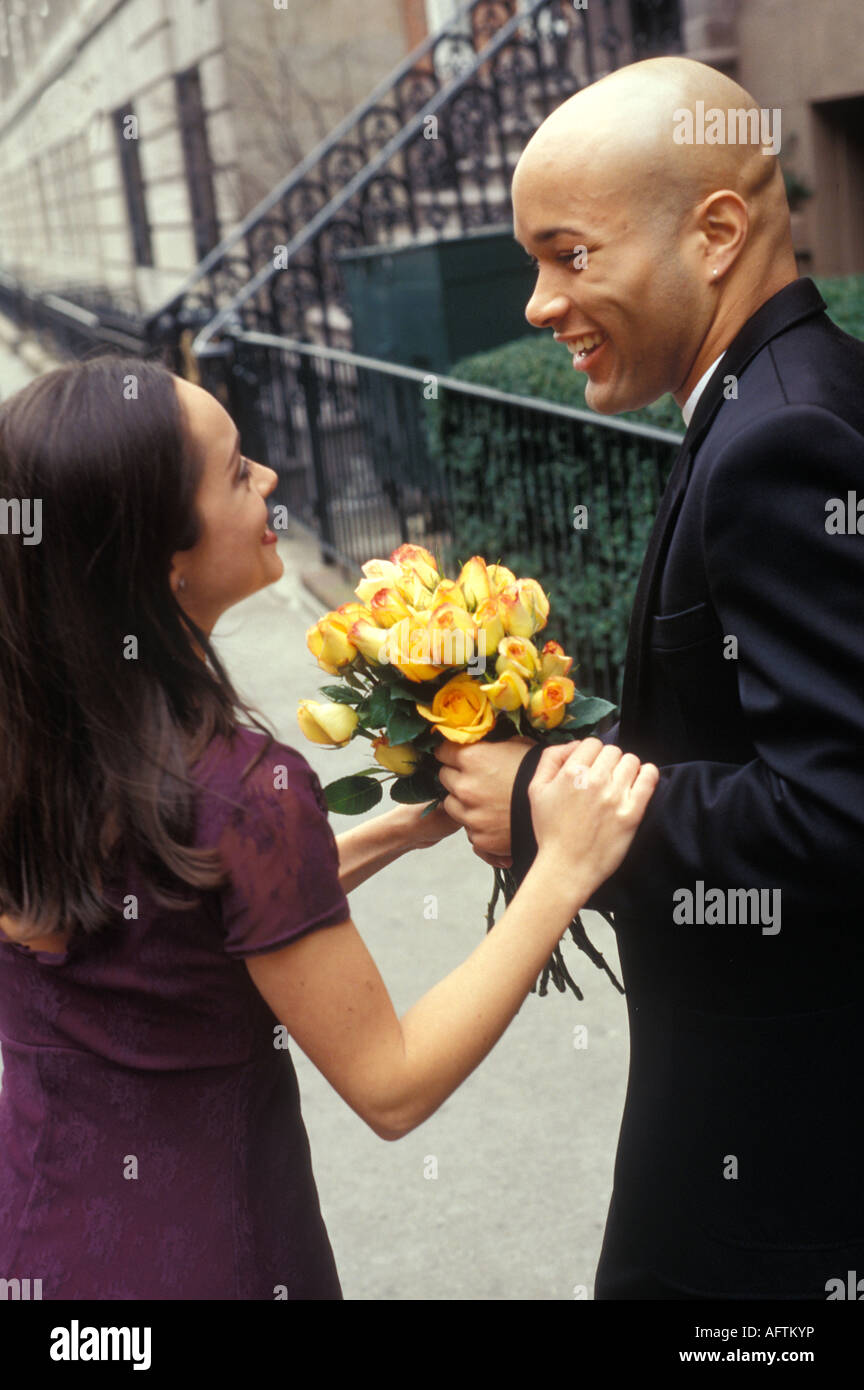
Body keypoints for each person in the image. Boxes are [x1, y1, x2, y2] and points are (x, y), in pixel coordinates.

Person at [0, 354, 658, 1299]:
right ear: (161, 556)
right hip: (216, 1256)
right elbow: (392, 1084)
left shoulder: (45, 746)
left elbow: (176, 931)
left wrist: (395, 833)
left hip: (40, 1245)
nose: (269, 477)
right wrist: (563, 867)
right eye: (235, 472)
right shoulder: (241, 788)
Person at [435, 55, 864, 1299]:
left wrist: (546, 801)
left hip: (784, 1155)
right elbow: (744, 728)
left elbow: (837, 806)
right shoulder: (775, 396)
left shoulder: (782, 435)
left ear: (717, 231)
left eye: (569, 255)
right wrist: (550, 750)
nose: (536, 302)